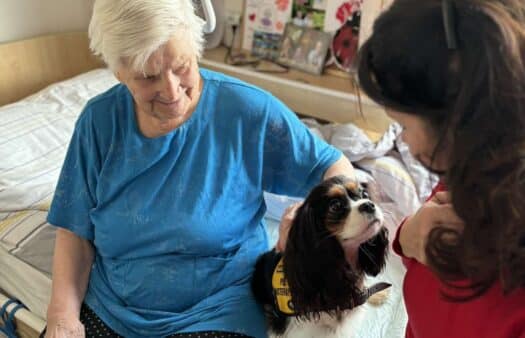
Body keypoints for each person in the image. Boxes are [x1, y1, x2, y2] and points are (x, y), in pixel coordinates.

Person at [43, 0, 355, 337]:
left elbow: (333, 165)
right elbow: (75, 230)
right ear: (119, 72)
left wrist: (316, 223)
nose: (172, 91)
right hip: (113, 307)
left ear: (195, 49)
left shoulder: (246, 111)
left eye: (181, 66)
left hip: (217, 309)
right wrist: (62, 315)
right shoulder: (98, 122)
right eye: (148, 77)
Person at [356, 0, 525, 337]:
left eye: (402, 125)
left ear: (458, 124)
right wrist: (408, 234)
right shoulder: (471, 174)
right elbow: (422, 239)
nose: (403, 141)